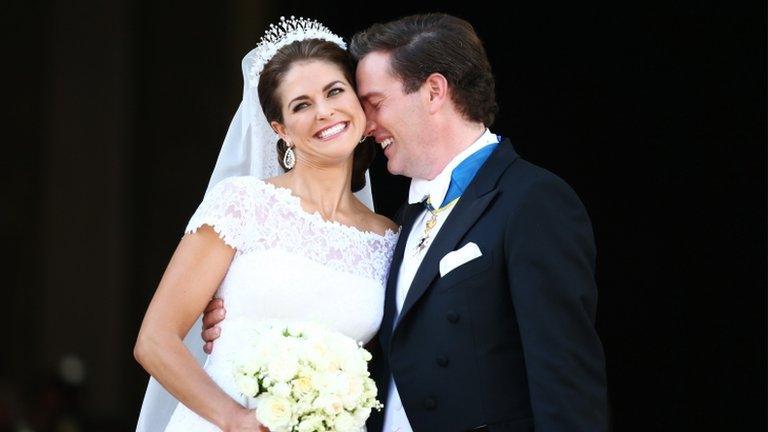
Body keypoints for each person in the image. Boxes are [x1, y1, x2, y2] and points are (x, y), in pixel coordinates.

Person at [203, 13, 609, 431]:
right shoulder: (398, 225)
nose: (367, 125)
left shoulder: (531, 201)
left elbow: (566, 382)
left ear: (433, 91)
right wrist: (245, 322)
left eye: (375, 103)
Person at [133, 17, 398, 432]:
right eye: (301, 104)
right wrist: (235, 420)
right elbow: (155, 341)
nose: (324, 111)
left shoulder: (390, 238)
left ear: (359, 103)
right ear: (281, 130)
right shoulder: (244, 203)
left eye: (334, 91)